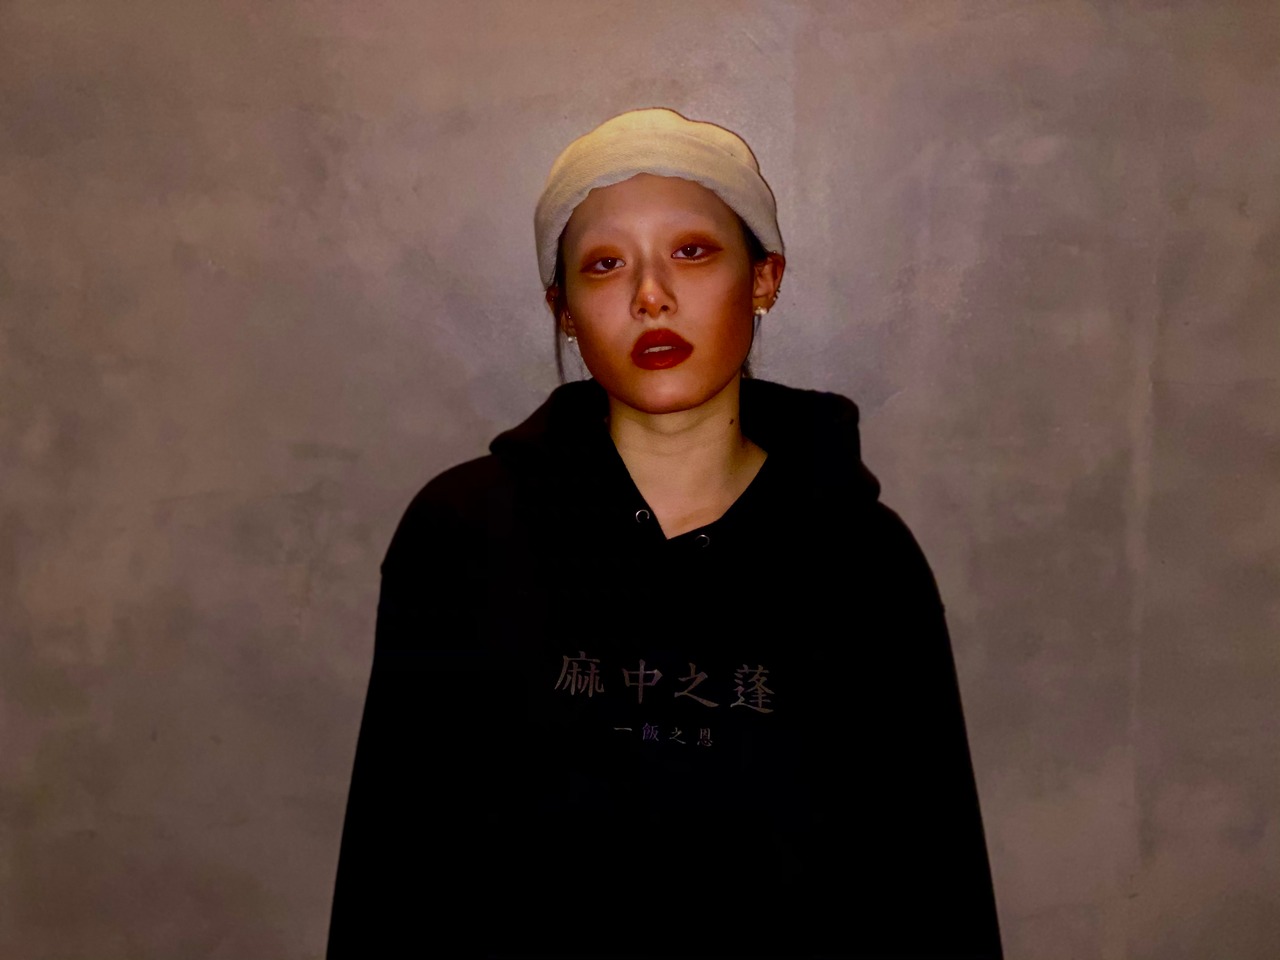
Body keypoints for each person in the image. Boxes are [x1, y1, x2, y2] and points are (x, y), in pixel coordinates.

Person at [326, 107, 1003, 959]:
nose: (651, 296)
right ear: (563, 309)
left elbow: (930, 876)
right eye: (606, 265)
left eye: (691, 251)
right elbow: (394, 860)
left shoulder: (862, 557)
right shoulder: (463, 535)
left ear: (764, 278)